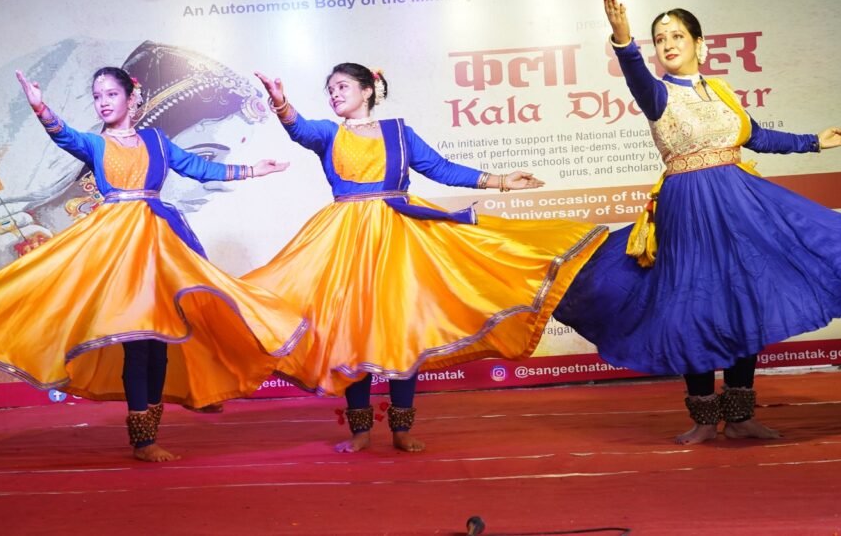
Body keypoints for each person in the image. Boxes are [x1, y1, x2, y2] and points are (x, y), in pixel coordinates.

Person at [554, 0, 841, 444]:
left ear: (699, 44)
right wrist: (623, 40)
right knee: (691, 307)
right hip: (688, 210)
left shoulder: (722, 92)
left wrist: (814, 142)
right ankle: (705, 419)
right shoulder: (658, 94)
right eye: (660, 39)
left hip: (739, 207)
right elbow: (635, 76)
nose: (668, 44)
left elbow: (758, 136)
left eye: (677, 36)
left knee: (745, 299)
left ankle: (741, 414)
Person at [0, 67, 307, 462]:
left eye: (110, 94)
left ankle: (150, 431)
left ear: (131, 98)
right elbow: (64, 136)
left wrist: (255, 169)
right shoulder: (95, 144)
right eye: (97, 95)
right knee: (137, 343)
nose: (103, 101)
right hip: (117, 252)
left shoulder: (156, 140)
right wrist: (41, 108)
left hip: (158, 248)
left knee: (159, 343)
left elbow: (198, 168)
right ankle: (142, 440)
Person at [248, 64, 607, 453]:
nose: (334, 94)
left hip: (398, 237)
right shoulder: (329, 133)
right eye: (330, 89)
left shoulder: (399, 134)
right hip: (346, 239)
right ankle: (360, 431)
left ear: (368, 90)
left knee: (404, 327)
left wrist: (501, 180)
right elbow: (298, 128)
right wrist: (280, 101)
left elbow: (440, 169)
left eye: (343, 86)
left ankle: (401, 428)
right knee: (353, 330)